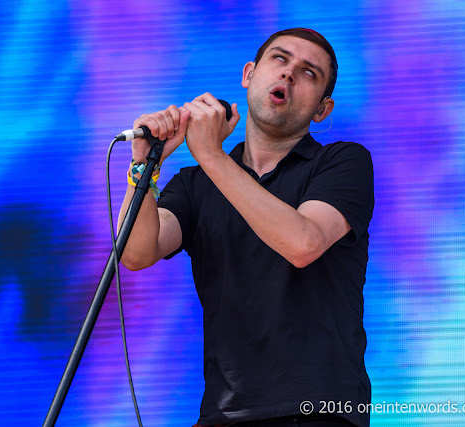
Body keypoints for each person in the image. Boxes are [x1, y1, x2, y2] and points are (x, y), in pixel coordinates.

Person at [118, 28, 374, 427]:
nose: (289, 74)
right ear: (249, 74)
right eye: (280, 59)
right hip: (223, 412)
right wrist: (144, 164)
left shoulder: (343, 162)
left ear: (322, 109)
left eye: (309, 73)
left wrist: (210, 154)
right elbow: (135, 253)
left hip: (319, 410)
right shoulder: (195, 183)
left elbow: (303, 242)